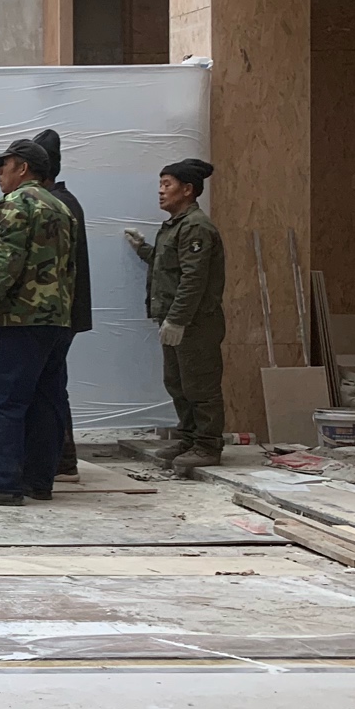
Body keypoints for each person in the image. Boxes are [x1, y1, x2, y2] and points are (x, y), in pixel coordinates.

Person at [0, 137, 76, 507]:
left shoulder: (16, 203)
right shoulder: (60, 207)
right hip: (56, 320)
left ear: (23, 168)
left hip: (18, 318)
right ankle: (38, 481)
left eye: (4, 165)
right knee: (47, 400)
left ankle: (1, 484)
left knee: (2, 400)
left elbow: (5, 260)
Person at [124, 158, 226, 474]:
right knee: (178, 383)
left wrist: (178, 318)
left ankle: (207, 445)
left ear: (188, 189)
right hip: (176, 321)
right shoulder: (175, 226)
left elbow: (194, 278)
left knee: (200, 384)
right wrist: (142, 248)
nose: (160, 191)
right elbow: (166, 264)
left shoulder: (196, 227)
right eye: (160, 184)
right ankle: (189, 439)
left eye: (167, 184)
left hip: (195, 323)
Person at [34, 128, 92, 481]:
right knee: (51, 383)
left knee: (48, 385)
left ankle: (61, 457)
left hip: (55, 312)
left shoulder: (55, 205)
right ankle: (60, 457)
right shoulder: (63, 201)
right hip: (62, 311)